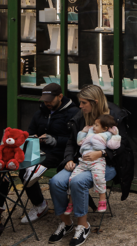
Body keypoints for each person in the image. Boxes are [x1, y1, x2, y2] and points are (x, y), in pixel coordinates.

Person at [48, 85, 129, 246]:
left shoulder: (114, 117)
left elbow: (123, 147)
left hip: (107, 164)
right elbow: (72, 142)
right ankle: (66, 223)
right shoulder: (81, 117)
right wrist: (69, 159)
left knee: (78, 182)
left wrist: (102, 153)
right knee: (55, 182)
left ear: (95, 102)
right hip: (82, 162)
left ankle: (83, 225)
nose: (80, 106)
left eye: (83, 103)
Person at [20, 82, 79, 224]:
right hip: (41, 150)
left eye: (50, 100)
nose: (47, 103)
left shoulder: (73, 112)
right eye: (45, 101)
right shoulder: (40, 112)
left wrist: (56, 140)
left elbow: (76, 139)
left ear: (60, 96)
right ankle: (40, 204)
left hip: (62, 152)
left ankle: (62, 206)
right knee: (24, 170)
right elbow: (30, 131)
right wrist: (33, 139)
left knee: (33, 169)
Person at [67, 115, 121, 214]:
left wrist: (115, 135)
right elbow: (79, 142)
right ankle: (71, 202)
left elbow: (113, 146)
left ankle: (102, 200)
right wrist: (83, 131)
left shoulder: (107, 135)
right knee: (71, 179)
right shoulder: (90, 132)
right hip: (83, 161)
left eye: (96, 125)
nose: (93, 127)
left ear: (104, 128)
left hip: (98, 161)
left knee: (99, 178)